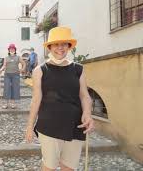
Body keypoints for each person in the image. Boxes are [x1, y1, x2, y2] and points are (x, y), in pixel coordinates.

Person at [25, 27, 95, 171]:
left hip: (75, 125)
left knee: (69, 167)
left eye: (64, 44)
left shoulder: (79, 69)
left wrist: (87, 113)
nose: (60, 48)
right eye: (56, 44)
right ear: (49, 47)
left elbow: (84, 95)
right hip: (49, 125)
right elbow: (36, 99)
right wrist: (30, 126)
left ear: (69, 46)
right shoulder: (40, 70)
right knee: (49, 167)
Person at [0, 44, 26, 109]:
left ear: (15, 50)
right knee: (6, 88)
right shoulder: (6, 58)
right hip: (7, 75)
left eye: (13, 49)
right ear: (9, 50)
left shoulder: (18, 57)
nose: (12, 50)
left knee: (14, 88)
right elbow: (4, 65)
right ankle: (6, 103)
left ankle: (13, 103)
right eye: (10, 49)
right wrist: (1, 69)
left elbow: (24, 63)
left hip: (15, 75)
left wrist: (22, 69)